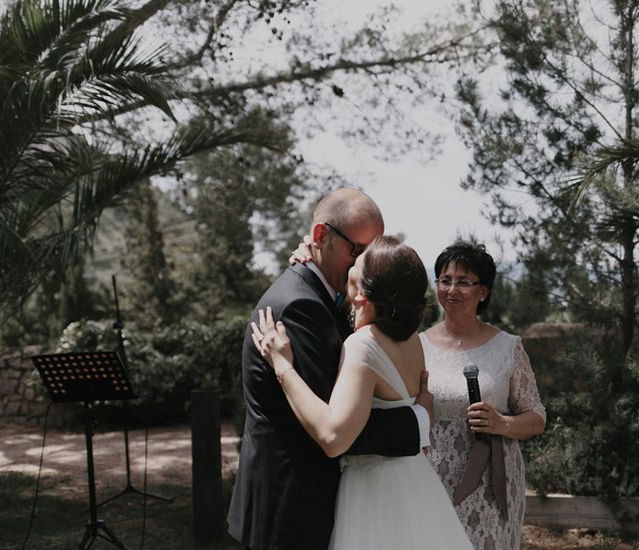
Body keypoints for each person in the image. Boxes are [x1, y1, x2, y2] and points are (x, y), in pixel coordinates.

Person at [227, 189, 432, 550]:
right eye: (358, 251)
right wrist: (419, 420)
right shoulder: (299, 306)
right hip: (292, 512)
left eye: (372, 254)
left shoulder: (332, 299)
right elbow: (340, 426)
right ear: (321, 236)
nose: (363, 265)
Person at [252, 236, 473, 550]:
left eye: (353, 275)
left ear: (366, 296)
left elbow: (333, 437)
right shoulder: (413, 341)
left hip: (373, 494)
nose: (348, 291)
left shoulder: (362, 345)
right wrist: (312, 256)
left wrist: (282, 366)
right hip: (416, 483)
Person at [421, 240, 546, 550]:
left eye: (464, 282)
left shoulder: (507, 347)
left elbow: (536, 417)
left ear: (483, 292)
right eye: (445, 280)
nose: (452, 290)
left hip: (493, 483)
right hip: (431, 478)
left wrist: (502, 423)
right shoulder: (417, 346)